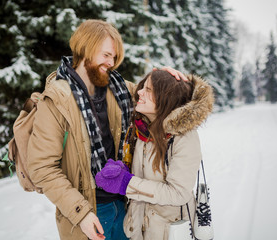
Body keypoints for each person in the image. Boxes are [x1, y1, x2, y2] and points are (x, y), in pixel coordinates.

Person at [26, 19, 186, 240]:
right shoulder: (56, 99)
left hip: (126, 203)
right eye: (106, 55)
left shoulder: (116, 87)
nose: (111, 63)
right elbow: (41, 167)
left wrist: (168, 79)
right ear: (85, 49)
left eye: (114, 57)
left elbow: (155, 97)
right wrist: (80, 213)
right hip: (88, 213)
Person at [95, 70, 214, 240]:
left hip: (166, 232)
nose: (139, 92)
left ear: (167, 97)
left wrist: (126, 183)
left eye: (149, 90)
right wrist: (123, 170)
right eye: (143, 87)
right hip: (137, 230)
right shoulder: (143, 127)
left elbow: (178, 193)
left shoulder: (184, 137)